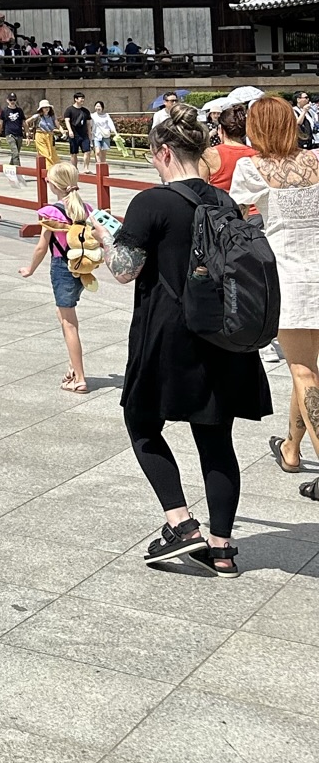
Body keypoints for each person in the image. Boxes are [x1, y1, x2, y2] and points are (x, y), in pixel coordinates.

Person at [96, 100, 272, 574]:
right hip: (223, 333)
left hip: (168, 334)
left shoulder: (152, 202)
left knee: (141, 421)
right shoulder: (224, 202)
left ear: (166, 152)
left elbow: (123, 271)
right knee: (216, 439)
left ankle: (180, 522)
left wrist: (103, 234)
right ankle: (222, 548)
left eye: (154, 155)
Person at [230, 95, 319, 497]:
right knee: (306, 369)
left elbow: (233, 211)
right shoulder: (317, 160)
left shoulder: (252, 167)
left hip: (291, 277)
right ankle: (291, 448)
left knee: (302, 371)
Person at [19, 160, 94, 393]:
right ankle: (73, 366)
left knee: (67, 322)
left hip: (62, 267)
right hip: (82, 267)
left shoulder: (52, 213)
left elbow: (42, 247)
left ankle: (79, 377)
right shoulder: (85, 209)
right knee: (67, 314)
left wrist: (30, 269)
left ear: (55, 185)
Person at [203, 101, 255, 193]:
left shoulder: (210, 154)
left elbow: (201, 187)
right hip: (252, 206)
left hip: (222, 205)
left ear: (221, 130)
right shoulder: (256, 155)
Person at [0, 94, 25, 170]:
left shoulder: (19, 110)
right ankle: (19, 171)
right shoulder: (5, 111)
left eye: (14, 100)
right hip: (9, 134)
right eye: (11, 100)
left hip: (19, 134)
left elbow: (24, 122)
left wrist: (28, 134)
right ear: (7, 100)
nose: (12, 101)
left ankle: (9, 169)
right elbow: (0, 123)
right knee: (15, 153)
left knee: (15, 154)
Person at [65, 93, 91, 158]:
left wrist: (90, 134)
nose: (82, 100)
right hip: (74, 135)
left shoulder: (86, 111)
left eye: (83, 98)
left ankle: (86, 168)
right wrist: (70, 131)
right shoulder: (69, 110)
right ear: (76, 99)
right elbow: (67, 121)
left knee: (87, 151)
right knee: (74, 153)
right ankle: (74, 168)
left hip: (84, 135)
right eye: (81, 98)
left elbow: (88, 123)